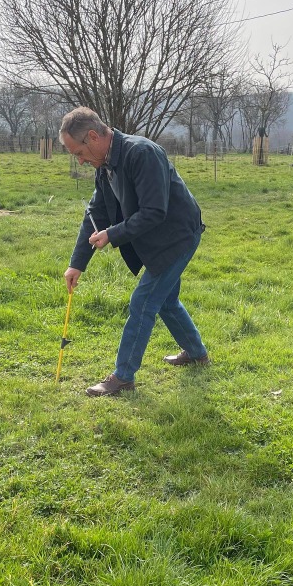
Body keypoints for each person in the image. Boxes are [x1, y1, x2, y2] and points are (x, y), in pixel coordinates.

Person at [59, 106, 209, 397]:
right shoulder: (105, 164)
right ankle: (196, 353)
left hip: (177, 236)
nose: (79, 160)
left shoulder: (142, 153)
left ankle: (123, 376)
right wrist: (77, 263)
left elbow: (154, 211)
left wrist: (112, 234)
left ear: (93, 136)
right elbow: (97, 211)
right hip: (156, 237)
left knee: (143, 302)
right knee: (165, 301)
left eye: (78, 152)